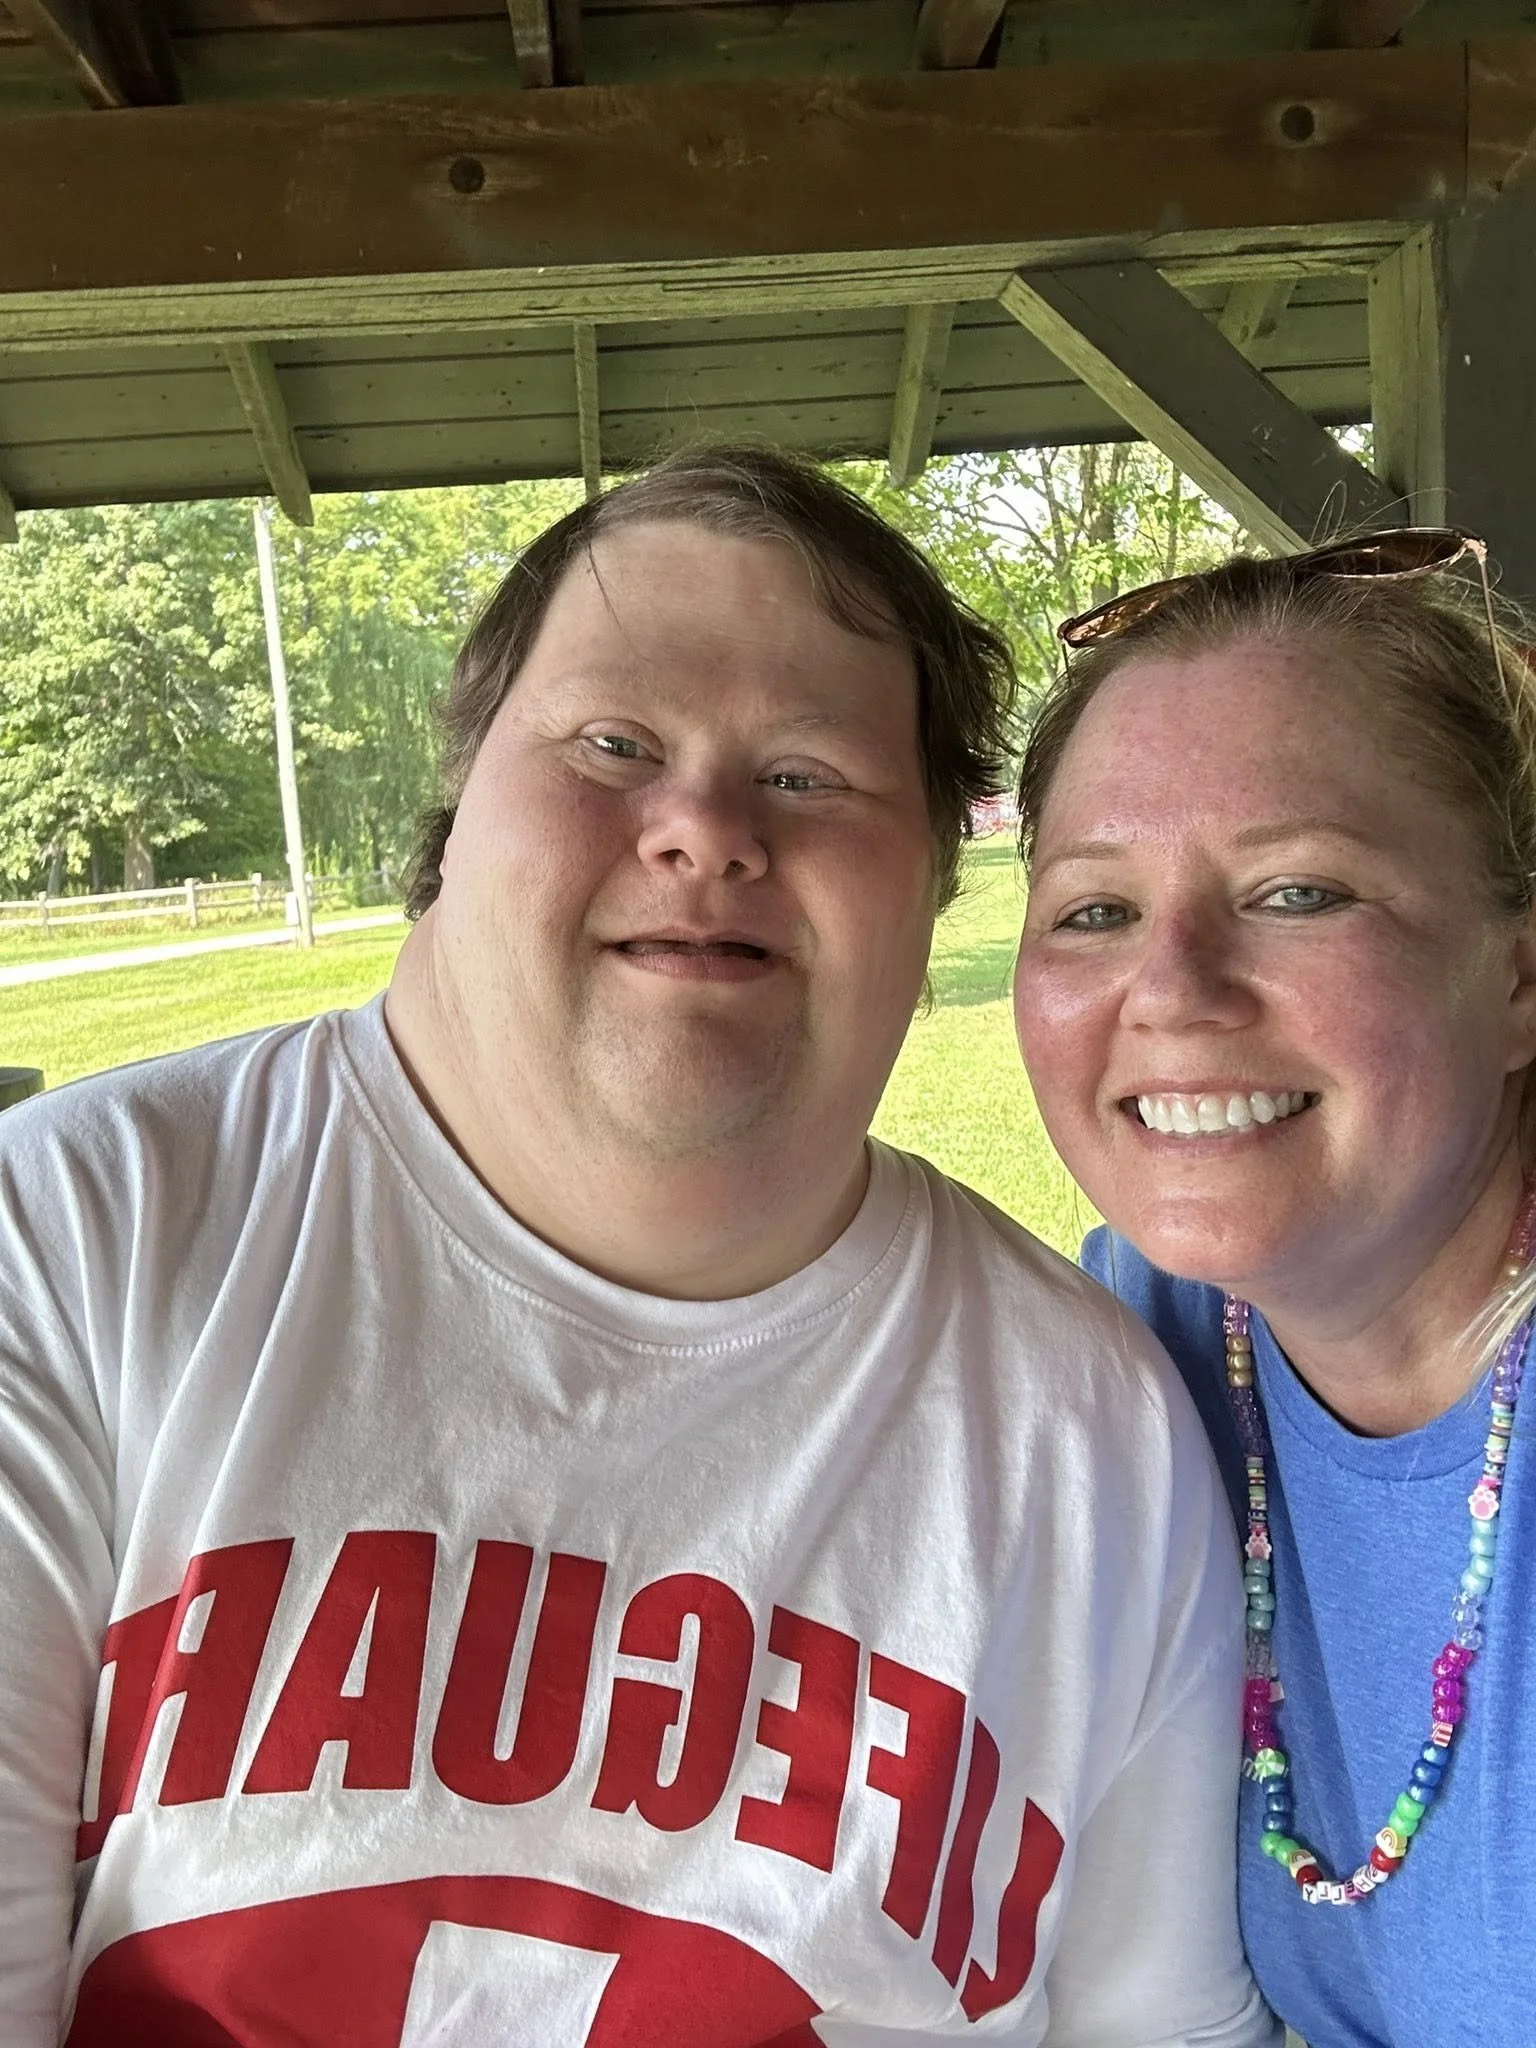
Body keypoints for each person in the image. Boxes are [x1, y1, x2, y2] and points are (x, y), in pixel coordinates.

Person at [0, 446, 1273, 2048]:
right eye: (613, 743)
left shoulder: (1093, 1438)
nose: (704, 827)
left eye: (809, 773)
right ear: (462, 797)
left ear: (938, 876)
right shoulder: (68, 1239)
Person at [1011, 531, 1536, 2048]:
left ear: (1518, 976)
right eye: (1095, 910)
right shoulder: (1142, 1340)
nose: (1171, 987)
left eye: (1300, 892)